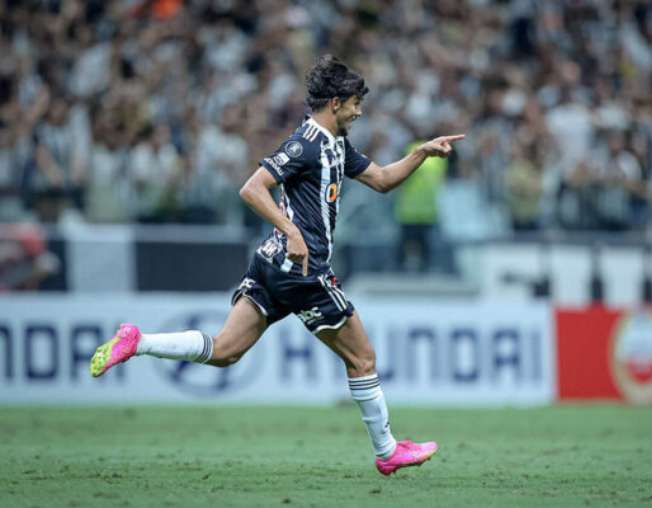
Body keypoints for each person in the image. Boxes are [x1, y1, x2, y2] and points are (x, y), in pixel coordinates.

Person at [89, 55, 464, 476]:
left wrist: (421, 153)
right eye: (356, 103)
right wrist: (292, 229)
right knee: (363, 359)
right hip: (302, 270)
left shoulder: (337, 144)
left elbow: (381, 180)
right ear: (337, 103)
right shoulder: (305, 143)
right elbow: (252, 188)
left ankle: (137, 341)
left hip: (272, 265)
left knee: (224, 351)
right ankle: (387, 450)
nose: (360, 112)